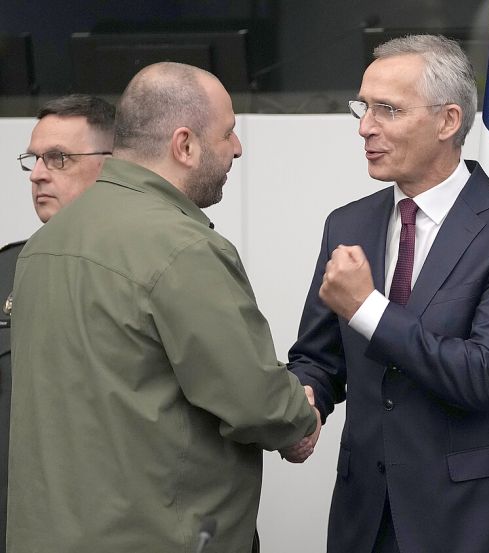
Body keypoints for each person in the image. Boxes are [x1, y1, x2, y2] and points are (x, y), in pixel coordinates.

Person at [7, 62, 318, 553]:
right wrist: (299, 419)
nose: (237, 147)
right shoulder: (182, 247)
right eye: (228, 132)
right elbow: (255, 402)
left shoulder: (42, 247)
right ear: (185, 145)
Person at [287, 35, 489, 553]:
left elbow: (485, 376)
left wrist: (369, 309)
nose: (366, 126)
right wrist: (307, 401)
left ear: (448, 121)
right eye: (362, 108)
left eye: (387, 109)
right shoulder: (347, 223)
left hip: (468, 522)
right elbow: (318, 358)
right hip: (364, 516)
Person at [0, 94, 115, 553]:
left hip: (119, 531)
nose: (39, 174)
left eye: (59, 158)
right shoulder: (7, 271)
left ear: (112, 168)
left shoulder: (158, 270)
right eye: (34, 159)